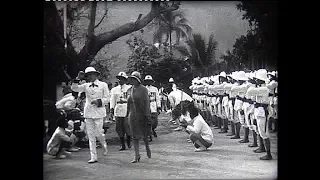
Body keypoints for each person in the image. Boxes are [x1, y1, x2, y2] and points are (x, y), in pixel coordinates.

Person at [71, 67, 109, 163]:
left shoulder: (103, 85)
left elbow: (107, 98)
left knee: (99, 132)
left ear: (96, 75)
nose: (90, 76)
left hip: (99, 112)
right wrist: (77, 79)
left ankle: (104, 144)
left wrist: (99, 101)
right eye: (88, 75)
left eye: (92, 74)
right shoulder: (85, 85)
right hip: (88, 112)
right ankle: (93, 156)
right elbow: (74, 88)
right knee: (91, 135)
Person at [247, 69, 273, 160]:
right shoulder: (260, 88)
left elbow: (249, 92)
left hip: (262, 112)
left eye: (257, 79)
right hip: (258, 111)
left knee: (264, 133)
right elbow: (251, 97)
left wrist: (253, 84)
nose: (256, 80)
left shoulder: (264, 88)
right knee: (258, 130)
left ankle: (269, 154)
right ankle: (262, 147)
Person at [126, 71, 152, 163]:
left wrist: (147, 115)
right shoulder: (130, 90)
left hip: (142, 114)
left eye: (134, 79)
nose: (132, 81)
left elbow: (146, 103)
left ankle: (147, 148)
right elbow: (128, 103)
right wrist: (127, 114)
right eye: (131, 79)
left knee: (144, 135)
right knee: (134, 136)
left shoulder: (143, 89)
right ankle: (136, 155)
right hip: (132, 115)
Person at [110, 72, 132, 151]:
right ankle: (122, 144)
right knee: (119, 128)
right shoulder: (114, 89)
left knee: (127, 126)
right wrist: (111, 109)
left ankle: (129, 139)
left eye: (122, 79)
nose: (120, 80)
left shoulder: (130, 88)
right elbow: (112, 100)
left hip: (126, 108)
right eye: (119, 79)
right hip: (118, 108)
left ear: (125, 80)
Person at [144, 75, 161, 142]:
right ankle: (149, 134)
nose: (148, 82)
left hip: (153, 104)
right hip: (146, 105)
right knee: (148, 120)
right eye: (147, 81)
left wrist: (158, 107)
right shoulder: (144, 89)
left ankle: (152, 129)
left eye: (149, 81)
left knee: (154, 121)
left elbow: (158, 98)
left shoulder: (155, 89)